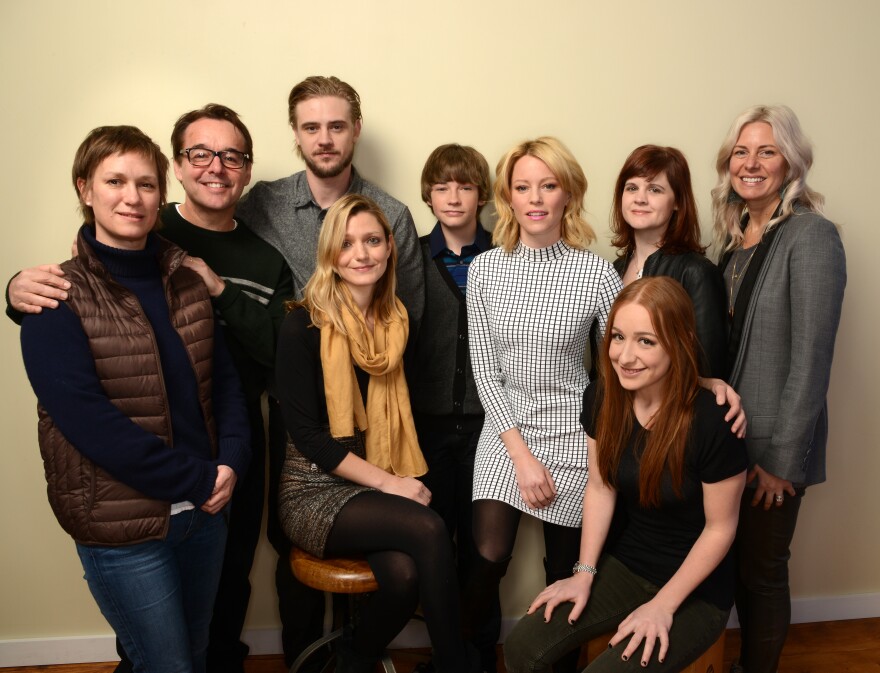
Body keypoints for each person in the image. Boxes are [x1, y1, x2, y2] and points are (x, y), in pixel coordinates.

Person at [7, 104, 293, 673]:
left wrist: (230, 462)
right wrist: (12, 286)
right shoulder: (55, 294)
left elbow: (228, 380)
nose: (131, 197)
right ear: (85, 189)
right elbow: (86, 420)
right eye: (115, 182)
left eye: (143, 184)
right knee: (164, 662)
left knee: (189, 652)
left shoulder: (187, 276)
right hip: (126, 516)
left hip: (206, 507)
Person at [234, 75, 425, 665]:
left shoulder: (388, 214)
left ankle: (357, 655)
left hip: (374, 417)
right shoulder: (261, 204)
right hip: (291, 416)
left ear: (356, 131)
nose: (324, 138)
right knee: (288, 543)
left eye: (336, 125)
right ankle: (304, 660)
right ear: (294, 133)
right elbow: (188, 224)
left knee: (383, 546)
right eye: (311, 126)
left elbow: (406, 318)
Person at [275, 193, 478, 673]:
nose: (361, 254)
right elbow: (309, 437)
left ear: (390, 248)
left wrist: (390, 480)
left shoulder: (396, 322)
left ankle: (355, 656)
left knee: (405, 578)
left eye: (371, 240)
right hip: (314, 489)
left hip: (372, 481)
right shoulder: (302, 324)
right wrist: (392, 484)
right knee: (429, 527)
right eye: (346, 244)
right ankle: (457, 666)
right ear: (330, 254)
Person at [504, 277, 747, 672]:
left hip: (697, 591)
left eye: (646, 341)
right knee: (521, 648)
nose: (625, 356)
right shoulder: (601, 397)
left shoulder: (714, 419)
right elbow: (600, 487)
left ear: (679, 341)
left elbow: (720, 529)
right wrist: (582, 574)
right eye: (618, 337)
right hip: (629, 564)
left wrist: (662, 607)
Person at [464, 136, 623, 673]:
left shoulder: (598, 275)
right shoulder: (484, 271)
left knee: (567, 572)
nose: (535, 198)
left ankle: (559, 666)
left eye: (548, 185)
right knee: (485, 558)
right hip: (506, 431)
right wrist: (521, 456)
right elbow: (486, 372)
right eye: (523, 186)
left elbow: (618, 368)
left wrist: (597, 445)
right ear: (507, 197)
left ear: (567, 195)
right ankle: (476, 660)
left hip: (575, 436)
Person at [712, 105, 846, 673]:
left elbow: (812, 358)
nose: (751, 163)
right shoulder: (730, 241)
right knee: (733, 566)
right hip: (728, 442)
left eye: (766, 151)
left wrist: (783, 463)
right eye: (742, 151)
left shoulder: (811, 236)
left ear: (791, 160)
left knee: (762, 571)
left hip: (775, 447)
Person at [409, 143, 500, 672]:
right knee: (436, 545)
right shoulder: (410, 258)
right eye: (442, 186)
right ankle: (448, 656)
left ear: (482, 194)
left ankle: (481, 654)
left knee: (484, 552)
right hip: (427, 428)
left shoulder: (507, 255)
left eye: (464, 186)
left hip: (493, 428)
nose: (453, 196)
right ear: (427, 194)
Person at [607, 145, 727, 377]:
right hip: (615, 409)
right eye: (632, 187)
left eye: (654, 189)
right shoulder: (612, 270)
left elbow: (709, 369)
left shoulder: (696, 273)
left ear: (678, 202)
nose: (640, 198)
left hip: (671, 410)